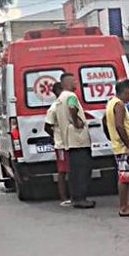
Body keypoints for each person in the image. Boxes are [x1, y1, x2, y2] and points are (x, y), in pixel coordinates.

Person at [105, 79, 129, 217]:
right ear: (125, 90)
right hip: (124, 148)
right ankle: (123, 207)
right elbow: (119, 125)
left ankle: (128, 203)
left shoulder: (112, 103)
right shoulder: (119, 104)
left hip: (121, 146)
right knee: (124, 177)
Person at [58, 74, 95, 209]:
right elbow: (72, 108)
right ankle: (81, 198)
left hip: (69, 139)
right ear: (67, 83)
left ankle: (75, 197)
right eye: (73, 80)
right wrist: (77, 121)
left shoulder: (60, 98)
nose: (76, 82)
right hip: (78, 139)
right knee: (82, 170)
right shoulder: (71, 97)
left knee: (74, 171)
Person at [42, 81, 71, 206]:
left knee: (70, 170)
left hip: (70, 142)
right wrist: (55, 136)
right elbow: (47, 126)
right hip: (61, 144)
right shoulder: (54, 107)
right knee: (62, 171)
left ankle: (73, 195)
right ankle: (64, 197)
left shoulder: (65, 104)